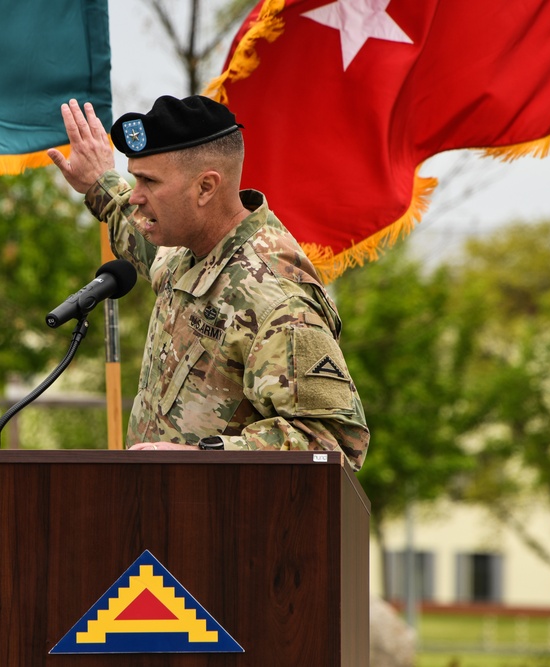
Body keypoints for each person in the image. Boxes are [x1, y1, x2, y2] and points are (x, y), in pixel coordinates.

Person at [48, 95, 369, 470]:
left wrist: (201, 459)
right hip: (166, 512)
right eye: (135, 178)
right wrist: (98, 185)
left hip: (225, 519)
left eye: (149, 181)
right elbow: (137, 237)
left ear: (205, 188)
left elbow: (332, 442)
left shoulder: (275, 298)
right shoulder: (187, 252)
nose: (136, 196)